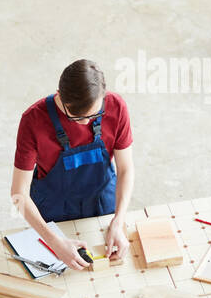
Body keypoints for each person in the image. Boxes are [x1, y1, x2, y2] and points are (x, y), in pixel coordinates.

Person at [10, 59, 133, 271]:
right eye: (74, 117)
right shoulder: (33, 120)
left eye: (94, 115)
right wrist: (54, 241)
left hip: (102, 202)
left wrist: (118, 221)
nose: (85, 123)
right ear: (59, 94)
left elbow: (126, 169)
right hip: (54, 208)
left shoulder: (116, 107)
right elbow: (18, 194)